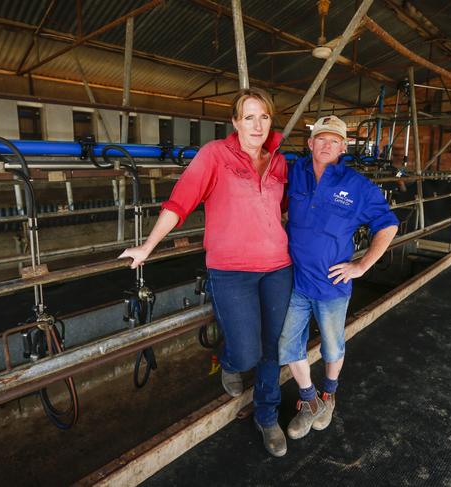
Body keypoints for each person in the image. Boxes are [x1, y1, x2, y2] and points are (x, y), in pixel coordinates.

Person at [119, 88, 292, 457]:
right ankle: (229, 361)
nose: (257, 124)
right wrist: (148, 246)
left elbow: (288, 208)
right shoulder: (215, 155)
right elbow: (180, 201)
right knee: (247, 352)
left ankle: (267, 415)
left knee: (271, 349)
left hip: (278, 268)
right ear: (235, 122)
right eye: (249, 117)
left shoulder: (279, 161)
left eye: (263, 116)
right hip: (231, 270)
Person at [279, 115, 399, 439]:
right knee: (288, 343)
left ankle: (328, 395)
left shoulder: (356, 185)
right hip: (295, 281)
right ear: (310, 143)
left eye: (334, 140)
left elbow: (388, 225)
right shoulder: (295, 173)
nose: (327, 144)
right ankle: (308, 400)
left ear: (343, 147)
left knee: (332, 347)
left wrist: (362, 266)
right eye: (321, 138)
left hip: (332, 286)